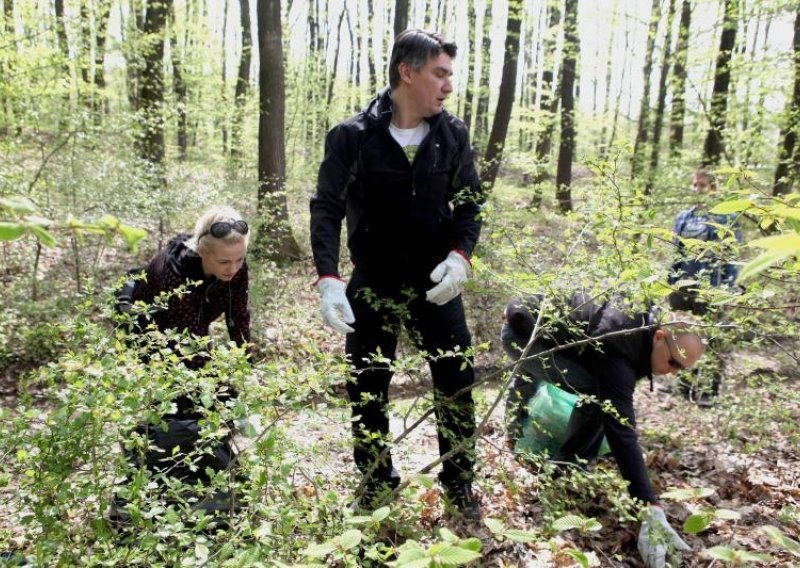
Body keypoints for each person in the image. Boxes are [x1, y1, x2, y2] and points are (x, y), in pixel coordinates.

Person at [309, 29, 484, 519]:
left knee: (456, 381)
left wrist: (461, 256)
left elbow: (470, 202)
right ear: (408, 72)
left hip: (437, 284)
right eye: (440, 73)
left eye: (451, 74)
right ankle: (374, 482)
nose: (449, 85)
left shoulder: (453, 134)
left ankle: (460, 482)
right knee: (367, 386)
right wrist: (328, 277)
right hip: (376, 280)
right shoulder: (353, 136)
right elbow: (326, 207)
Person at [501, 292, 704, 568]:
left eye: (682, 369)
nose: (673, 373)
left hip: (525, 317)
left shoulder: (642, 322)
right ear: (659, 337)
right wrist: (649, 505)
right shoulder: (620, 345)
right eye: (673, 363)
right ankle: (567, 466)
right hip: (521, 332)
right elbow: (621, 429)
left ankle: (519, 431)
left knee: (550, 374)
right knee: (600, 397)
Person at [113, 205, 252, 519]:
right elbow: (188, 346)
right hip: (148, 329)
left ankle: (202, 479)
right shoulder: (174, 273)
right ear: (203, 251)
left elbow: (238, 315)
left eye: (239, 259)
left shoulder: (235, 265)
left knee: (206, 401)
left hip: (189, 333)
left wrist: (246, 361)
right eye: (224, 261)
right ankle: (148, 488)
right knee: (179, 401)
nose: (233, 268)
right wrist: (216, 389)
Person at [667, 167, 743, 405]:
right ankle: (684, 384)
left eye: (703, 185)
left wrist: (729, 288)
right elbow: (676, 254)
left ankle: (708, 391)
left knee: (714, 338)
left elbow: (732, 255)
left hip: (712, 287)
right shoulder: (684, 217)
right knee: (685, 334)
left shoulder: (725, 218)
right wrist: (671, 282)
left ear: (713, 187)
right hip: (685, 286)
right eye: (695, 185)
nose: (698, 189)